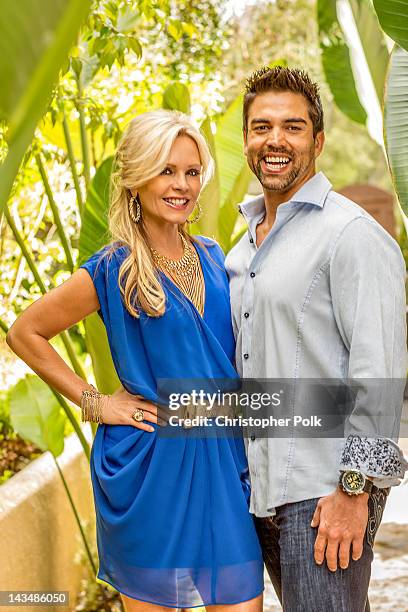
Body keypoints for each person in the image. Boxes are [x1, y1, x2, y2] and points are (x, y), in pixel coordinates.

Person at [6, 109, 264, 612]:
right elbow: (25, 332)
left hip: (221, 464)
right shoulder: (110, 269)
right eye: (167, 170)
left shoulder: (217, 257)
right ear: (136, 179)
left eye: (191, 172)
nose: (182, 185)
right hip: (149, 469)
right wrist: (96, 402)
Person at [225, 66, 408, 611]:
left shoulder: (351, 235)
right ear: (247, 141)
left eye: (292, 127)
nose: (274, 140)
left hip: (326, 493)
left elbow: (379, 372)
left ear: (317, 141)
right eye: (261, 127)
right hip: (260, 494)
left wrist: (355, 493)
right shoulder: (241, 251)